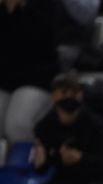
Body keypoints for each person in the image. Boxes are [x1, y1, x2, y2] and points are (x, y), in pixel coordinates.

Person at [28, 72, 103, 184]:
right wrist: (40, 161)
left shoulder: (96, 123)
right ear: (54, 95)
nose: (68, 96)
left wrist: (81, 159)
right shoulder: (44, 126)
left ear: (80, 94)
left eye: (74, 92)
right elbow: (41, 168)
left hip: (95, 180)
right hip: (65, 180)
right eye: (63, 91)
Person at [0, 0, 59, 144]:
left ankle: (32, 163)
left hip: (37, 77)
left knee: (17, 124)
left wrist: (22, 8)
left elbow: (42, 42)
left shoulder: (43, 6)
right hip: (4, 78)